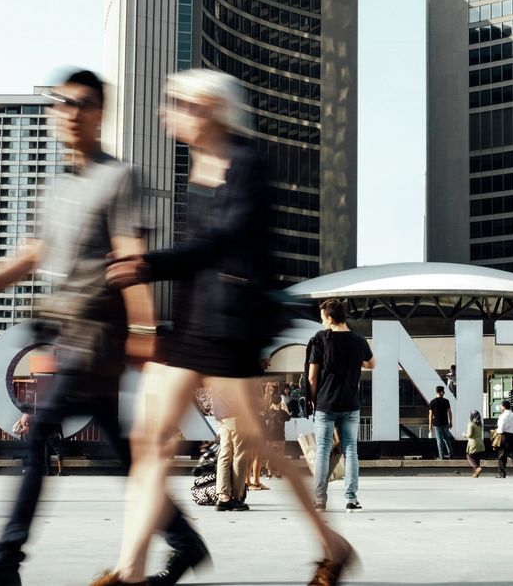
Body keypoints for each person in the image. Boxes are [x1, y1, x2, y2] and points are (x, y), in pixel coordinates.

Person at [0, 69, 205, 586]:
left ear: (101, 113)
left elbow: (132, 256)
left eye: (82, 103)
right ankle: (186, 542)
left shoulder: (119, 178)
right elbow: (33, 255)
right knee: (120, 453)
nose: (71, 112)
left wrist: (145, 331)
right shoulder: (56, 185)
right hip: (63, 334)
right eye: (62, 103)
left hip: (99, 334)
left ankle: (4, 562)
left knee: (37, 435)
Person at [101, 69, 354, 586]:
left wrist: (149, 263)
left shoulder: (248, 164)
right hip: (194, 326)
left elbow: (224, 239)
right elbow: (203, 257)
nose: (169, 111)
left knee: (259, 446)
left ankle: (333, 545)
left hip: (232, 329)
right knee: (151, 442)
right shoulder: (199, 169)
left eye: (180, 102)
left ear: (211, 108)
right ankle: (128, 572)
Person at [307, 297, 374, 513]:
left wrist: (314, 400)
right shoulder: (358, 340)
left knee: (323, 451)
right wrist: (357, 361)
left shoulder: (320, 339)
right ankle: (351, 498)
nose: (322, 323)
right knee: (351, 450)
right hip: (350, 404)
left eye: (322, 319)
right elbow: (372, 364)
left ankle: (319, 500)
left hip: (325, 404)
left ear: (329, 317)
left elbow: (311, 378)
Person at [212, 392, 249, 511]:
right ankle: (237, 497)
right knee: (240, 454)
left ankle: (223, 497)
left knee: (225, 453)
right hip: (236, 412)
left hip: (220, 414)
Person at [494, 399, 513, 478]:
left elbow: (501, 428)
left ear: (504, 407)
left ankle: (502, 473)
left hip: (504, 436)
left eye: (501, 406)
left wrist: (496, 432)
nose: (500, 407)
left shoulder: (502, 416)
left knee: (502, 455)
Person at [428, 386, 454, 460]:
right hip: (445, 423)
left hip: (437, 424)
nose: (443, 393)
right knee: (447, 439)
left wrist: (430, 425)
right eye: (443, 392)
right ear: (440, 392)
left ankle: (441, 455)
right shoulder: (446, 401)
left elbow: (430, 415)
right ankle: (450, 454)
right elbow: (449, 412)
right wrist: (451, 422)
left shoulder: (432, 402)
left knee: (439, 440)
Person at [464, 410, 485, 478]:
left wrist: (464, 435)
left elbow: (470, 435)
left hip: (473, 442)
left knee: (469, 456)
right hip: (480, 442)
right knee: (476, 457)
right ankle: (475, 473)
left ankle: (477, 467)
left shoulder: (471, 424)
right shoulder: (480, 424)